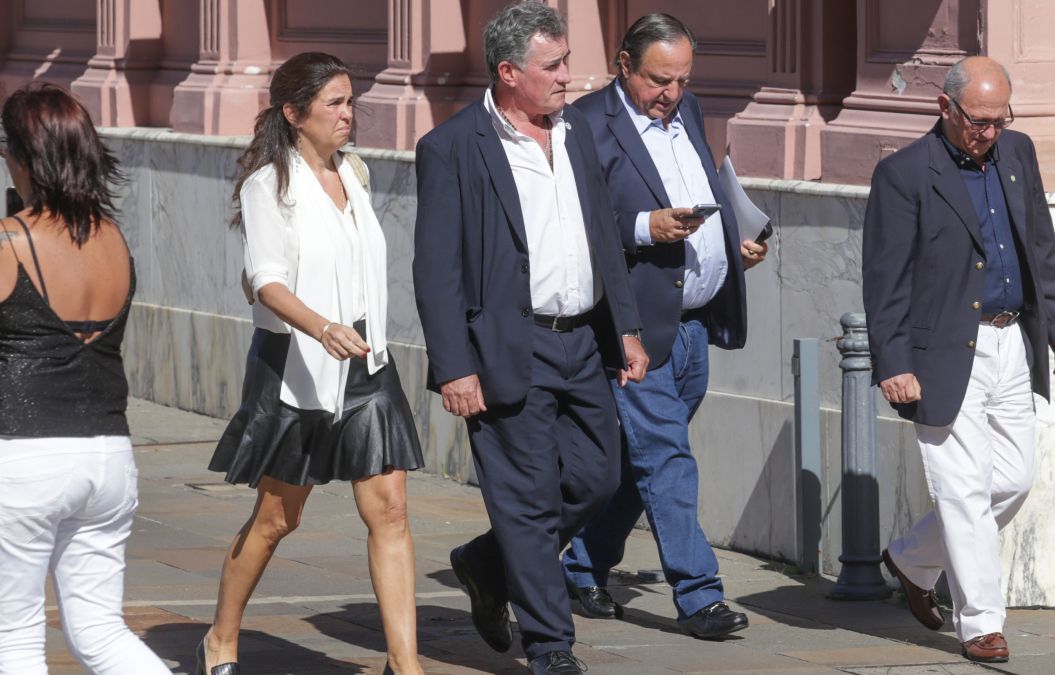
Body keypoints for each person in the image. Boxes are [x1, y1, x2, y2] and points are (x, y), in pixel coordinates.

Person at [412, 3, 649, 673]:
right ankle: (550, 645)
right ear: (511, 72)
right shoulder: (452, 148)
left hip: (583, 342)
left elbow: (603, 234)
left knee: (598, 478)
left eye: (568, 62)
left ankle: (488, 560)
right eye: (555, 65)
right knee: (525, 497)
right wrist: (454, 366)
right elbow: (435, 270)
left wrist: (625, 325)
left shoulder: (578, 133)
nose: (569, 76)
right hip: (505, 348)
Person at [200, 52, 425, 675]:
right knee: (278, 517)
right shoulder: (269, 184)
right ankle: (220, 638)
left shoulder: (355, 172)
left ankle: (405, 666)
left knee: (392, 510)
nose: (348, 114)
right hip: (297, 361)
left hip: (365, 362)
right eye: (334, 103)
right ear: (294, 114)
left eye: (351, 101)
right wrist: (321, 326)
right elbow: (265, 280)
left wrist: (355, 333)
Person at [861, 56, 1055, 664]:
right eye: (977, 120)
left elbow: (1041, 244)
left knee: (1012, 478)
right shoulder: (904, 175)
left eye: (998, 119)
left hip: (1012, 341)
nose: (988, 131)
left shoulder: (1018, 152)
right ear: (945, 108)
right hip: (941, 351)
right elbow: (885, 280)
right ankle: (979, 621)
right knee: (961, 491)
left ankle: (910, 559)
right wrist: (893, 362)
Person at [559, 13, 768, 640]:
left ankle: (582, 563)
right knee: (668, 456)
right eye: (658, 80)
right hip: (633, 326)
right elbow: (579, 223)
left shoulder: (690, 110)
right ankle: (699, 595)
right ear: (623, 65)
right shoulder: (586, 124)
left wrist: (736, 242)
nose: (670, 93)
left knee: (637, 461)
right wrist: (646, 226)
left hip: (694, 326)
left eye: (680, 80)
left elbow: (705, 189)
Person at [0, 83, 171, 675]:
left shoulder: (9, 242)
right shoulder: (114, 239)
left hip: (23, 455)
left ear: (26, 156)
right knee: (100, 631)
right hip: (107, 457)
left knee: (13, 639)